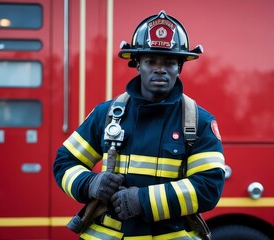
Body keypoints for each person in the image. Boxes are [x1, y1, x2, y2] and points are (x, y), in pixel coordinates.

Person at [53, 10, 225, 239]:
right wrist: (90, 183)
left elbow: (208, 188)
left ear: (180, 67)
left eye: (169, 62)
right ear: (137, 64)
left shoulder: (199, 122)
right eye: (150, 61)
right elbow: (64, 162)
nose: (160, 69)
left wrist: (143, 201)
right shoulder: (106, 114)